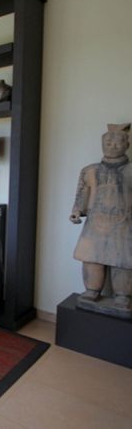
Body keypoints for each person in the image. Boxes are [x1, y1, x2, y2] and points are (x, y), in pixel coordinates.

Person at [70, 123, 132, 317]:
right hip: (96, 222)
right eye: (107, 142)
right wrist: (77, 210)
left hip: (124, 223)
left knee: (122, 261)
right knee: (92, 258)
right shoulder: (90, 170)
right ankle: (91, 290)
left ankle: (123, 295)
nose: (112, 146)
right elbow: (82, 193)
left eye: (117, 142)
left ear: (127, 145)